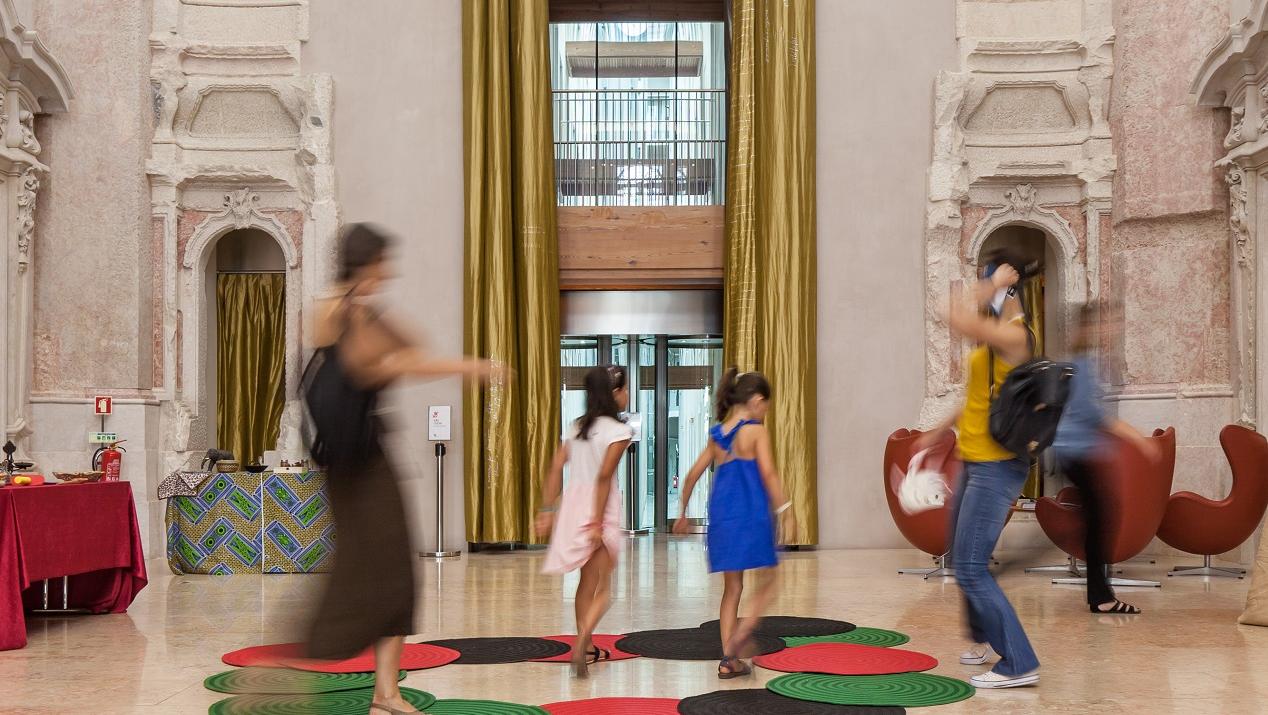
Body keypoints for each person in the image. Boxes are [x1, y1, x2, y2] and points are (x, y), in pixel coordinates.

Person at [305, 223, 501, 715]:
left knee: (390, 574)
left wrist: (376, 311)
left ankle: (385, 694)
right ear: (367, 263)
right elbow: (390, 364)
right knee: (382, 574)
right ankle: (376, 688)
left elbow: (407, 344)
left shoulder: (342, 309)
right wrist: (468, 367)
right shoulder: (344, 313)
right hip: (363, 466)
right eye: (382, 263)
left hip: (357, 462)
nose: (388, 272)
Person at [919, 251, 1040, 689]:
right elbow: (980, 395)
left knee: (970, 567)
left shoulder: (1015, 336)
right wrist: (939, 430)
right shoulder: (995, 341)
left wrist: (994, 285)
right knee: (962, 555)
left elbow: (948, 312)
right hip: (975, 459)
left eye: (985, 281)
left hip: (997, 465)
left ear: (1006, 285)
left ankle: (1019, 663)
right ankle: (988, 639)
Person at [673, 369, 795, 679]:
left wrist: (683, 513)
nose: (765, 412)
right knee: (770, 581)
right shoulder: (755, 431)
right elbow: (768, 474)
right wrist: (786, 509)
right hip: (752, 516)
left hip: (723, 520)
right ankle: (743, 634)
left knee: (732, 589)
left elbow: (690, 476)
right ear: (756, 401)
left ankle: (728, 659)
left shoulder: (717, 436)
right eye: (765, 406)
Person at [1051, 303, 1155, 615]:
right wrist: (1139, 440)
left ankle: (1101, 595)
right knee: (1101, 519)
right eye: (1107, 324)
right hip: (1075, 452)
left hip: (1076, 451)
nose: (1112, 329)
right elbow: (1094, 416)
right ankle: (1101, 597)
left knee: (1098, 518)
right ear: (1092, 328)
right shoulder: (1081, 365)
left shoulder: (1083, 363)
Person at [536, 365, 633, 677]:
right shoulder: (619, 431)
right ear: (614, 393)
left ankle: (588, 647)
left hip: (573, 507)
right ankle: (581, 644)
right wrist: (597, 523)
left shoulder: (576, 426)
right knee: (605, 588)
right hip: (599, 509)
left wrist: (546, 510)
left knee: (585, 583)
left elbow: (555, 467)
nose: (627, 394)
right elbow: (604, 477)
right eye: (626, 389)